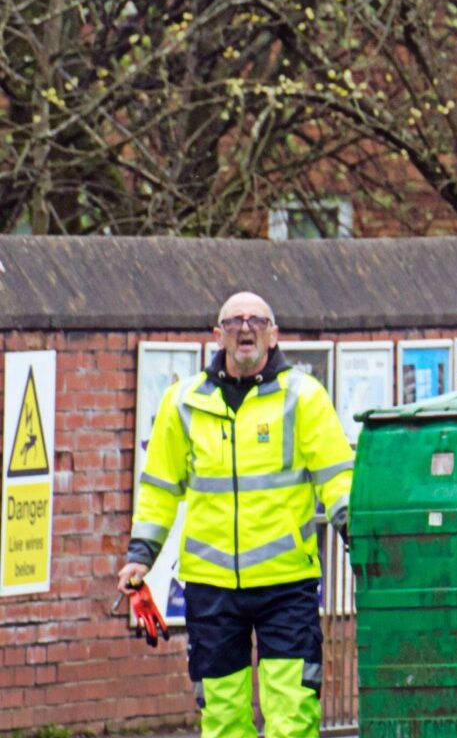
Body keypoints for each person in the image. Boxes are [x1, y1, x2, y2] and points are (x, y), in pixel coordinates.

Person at [118, 292, 356, 738]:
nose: (245, 329)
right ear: (218, 335)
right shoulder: (183, 403)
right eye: (234, 322)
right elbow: (159, 487)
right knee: (223, 719)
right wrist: (140, 554)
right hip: (212, 587)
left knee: (291, 716)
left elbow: (337, 475)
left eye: (256, 321)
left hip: (286, 586)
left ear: (273, 333)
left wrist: (356, 535)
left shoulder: (302, 398)